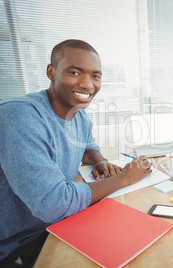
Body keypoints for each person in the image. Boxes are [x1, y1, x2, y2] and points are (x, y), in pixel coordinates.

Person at [0, 39, 152, 267]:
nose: (88, 84)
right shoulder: (20, 118)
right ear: (51, 72)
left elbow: (86, 144)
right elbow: (53, 204)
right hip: (22, 242)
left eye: (95, 76)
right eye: (75, 72)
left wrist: (98, 160)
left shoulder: (78, 114)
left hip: (62, 223)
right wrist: (124, 178)